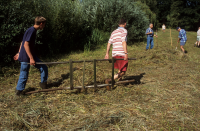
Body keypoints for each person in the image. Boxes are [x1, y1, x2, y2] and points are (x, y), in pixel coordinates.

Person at [13, 16, 48, 96]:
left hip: (29, 55)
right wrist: (31, 58)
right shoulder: (32, 30)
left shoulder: (31, 30)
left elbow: (22, 42)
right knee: (24, 74)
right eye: (44, 24)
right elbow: (25, 44)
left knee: (43, 67)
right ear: (41, 24)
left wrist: (18, 53)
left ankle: (43, 85)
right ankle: (18, 92)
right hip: (27, 57)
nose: (44, 26)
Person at [104, 18, 128, 90]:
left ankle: (119, 80)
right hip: (121, 53)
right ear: (125, 24)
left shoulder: (114, 32)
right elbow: (123, 42)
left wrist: (107, 54)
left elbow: (109, 43)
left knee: (120, 68)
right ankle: (110, 80)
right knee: (123, 71)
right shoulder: (124, 31)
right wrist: (126, 53)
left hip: (114, 54)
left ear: (118, 24)